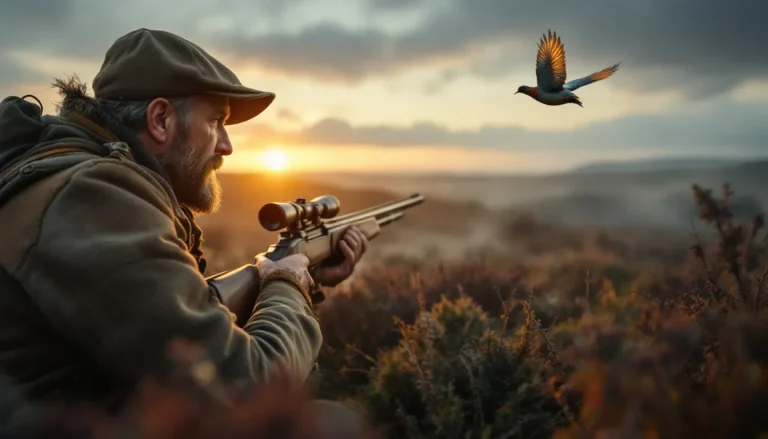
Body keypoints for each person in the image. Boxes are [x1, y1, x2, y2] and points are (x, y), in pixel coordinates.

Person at [0, 28, 370, 434]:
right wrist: (287, 283)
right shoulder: (92, 197)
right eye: (216, 121)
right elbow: (245, 389)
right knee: (337, 424)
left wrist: (298, 277)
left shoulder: (80, 178)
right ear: (160, 119)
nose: (227, 145)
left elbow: (161, 316)